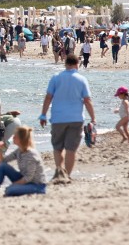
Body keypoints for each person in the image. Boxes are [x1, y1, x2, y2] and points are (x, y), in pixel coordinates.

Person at [37, 55, 97, 184]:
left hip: (58, 118)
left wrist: (43, 115)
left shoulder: (56, 78)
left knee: (58, 147)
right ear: (77, 64)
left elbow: (48, 97)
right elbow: (87, 100)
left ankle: (59, 173)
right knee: (71, 149)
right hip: (76, 118)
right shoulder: (81, 79)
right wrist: (93, 118)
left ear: (65, 64)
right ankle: (67, 176)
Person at [0, 126, 46, 197]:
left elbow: (29, 178)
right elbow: (3, 160)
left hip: (37, 185)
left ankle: (14, 188)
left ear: (21, 139)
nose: (13, 137)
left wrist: (14, 184)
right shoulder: (19, 151)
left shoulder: (31, 154)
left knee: (9, 190)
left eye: (15, 136)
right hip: (25, 180)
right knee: (3, 166)